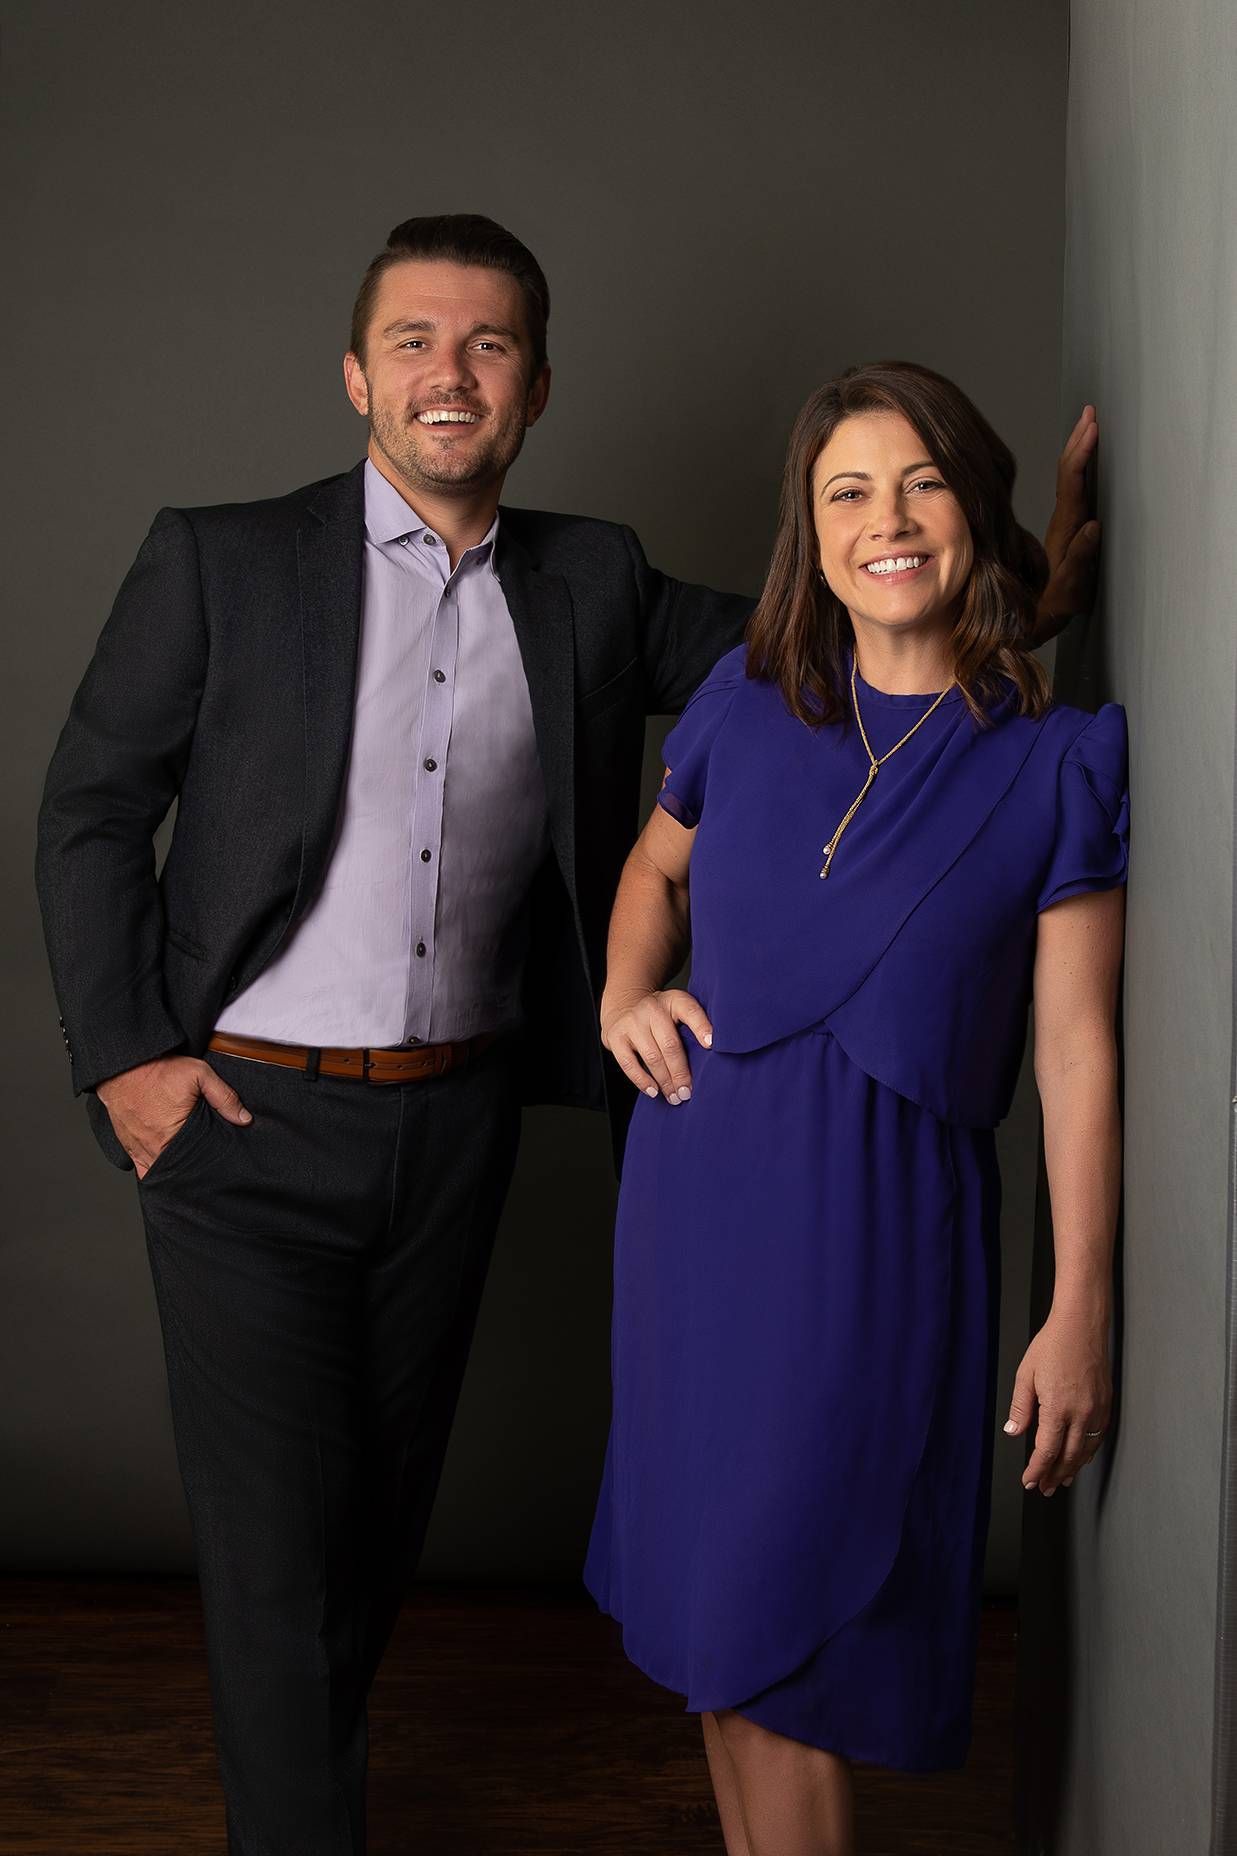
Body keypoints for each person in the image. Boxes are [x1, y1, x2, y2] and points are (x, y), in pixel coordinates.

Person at [35, 210, 1096, 1855]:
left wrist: (1051, 583)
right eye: (412, 342)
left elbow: (847, 634)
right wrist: (127, 1064)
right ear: (354, 377)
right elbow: (93, 808)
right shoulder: (220, 559)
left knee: (376, 1534)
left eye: (488, 346)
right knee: (273, 1555)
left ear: (535, 387)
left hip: (453, 1132)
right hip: (238, 1125)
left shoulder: (590, 580)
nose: (448, 375)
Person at [584, 360, 1129, 1856]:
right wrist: (623, 992)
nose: (883, 521)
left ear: (976, 504)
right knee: (716, 1637)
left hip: (877, 1242)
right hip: (694, 1214)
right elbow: (651, 872)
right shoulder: (744, 700)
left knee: (791, 1641)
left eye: (922, 483)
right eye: (845, 492)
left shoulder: (1058, 764)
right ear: (805, 531)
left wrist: (1077, 1304)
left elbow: (1079, 1055)